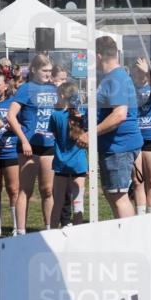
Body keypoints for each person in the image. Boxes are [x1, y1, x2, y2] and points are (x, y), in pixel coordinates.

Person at [78, 36, 142, 219]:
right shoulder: (113, 77)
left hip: (119, 147)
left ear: (98, 56)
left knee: (118, 197)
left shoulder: (116, 78)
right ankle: (122, 232)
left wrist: (90, 134)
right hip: (115, 146)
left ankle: (129, 234)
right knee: (112, 195)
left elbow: (120, 114)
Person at [6, 54, 58, 232]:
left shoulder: (53, 88)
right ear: (34, 70)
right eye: (44, 70)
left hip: (49, 144)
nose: (48, 74)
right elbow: (11, 116)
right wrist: (23, 140)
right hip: (29, 146)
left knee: (48, 190)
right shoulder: (26, 89)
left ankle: (50, 230)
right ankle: (21, 232)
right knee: (25, 190)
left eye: (50, 70)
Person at [49, 81, 87, 227]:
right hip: (79, 163)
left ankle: (52, 232)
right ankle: (77, 234)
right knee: (78, 203)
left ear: (62, 95)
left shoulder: (55, 116)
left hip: (61, 163)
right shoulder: (82, 115)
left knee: (58, 203)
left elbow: (55, 135)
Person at [132, 59, 151, 215]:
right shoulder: (129, 88)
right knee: (137, 181)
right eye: (137, 70)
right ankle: (140, 217)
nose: (140, 74)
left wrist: (148, 72)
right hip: (135, 138)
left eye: (142, 71)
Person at [0, 73, 21, 235]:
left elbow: (20, 125)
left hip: (11, 151)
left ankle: (15, 227)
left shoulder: (13, 103)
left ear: (5, 86)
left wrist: (6, 125)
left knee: (13, 189)